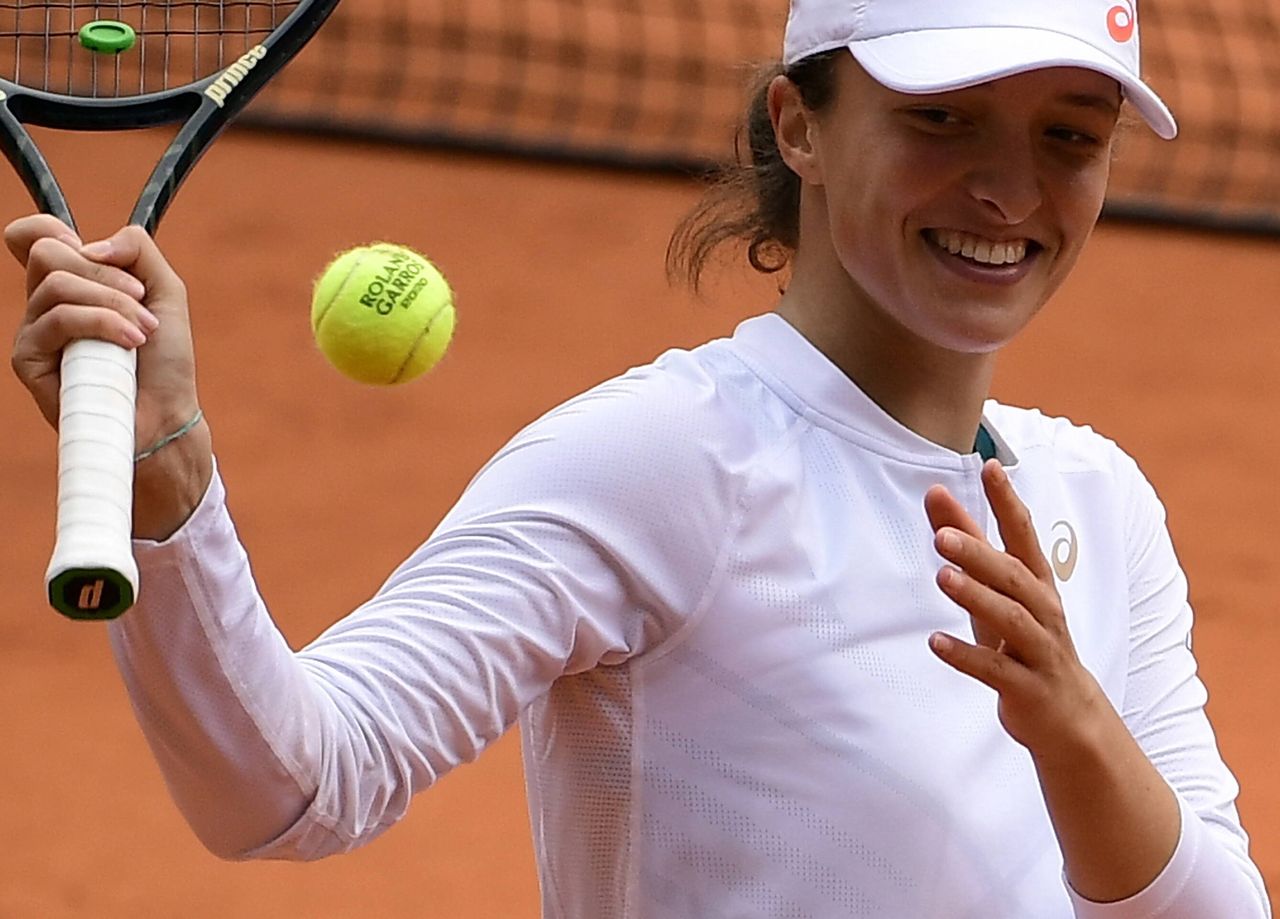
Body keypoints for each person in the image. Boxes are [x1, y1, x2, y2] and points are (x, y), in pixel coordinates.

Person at [6, 0, 1272, 916]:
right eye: (939, 119)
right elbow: (289, 787)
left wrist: (1073, 738)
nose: (1008, 190)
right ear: (799, 125)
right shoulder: (667, 461)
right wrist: (163, 479)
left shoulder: (1097, 505)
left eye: (1070, 135)